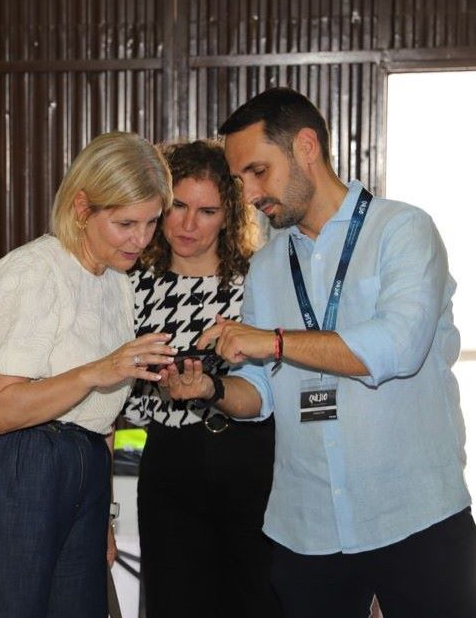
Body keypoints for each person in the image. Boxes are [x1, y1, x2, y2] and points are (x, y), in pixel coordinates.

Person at [166, 87, 476, 617]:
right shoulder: (267, 266)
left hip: (414, 514)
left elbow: (396, 348)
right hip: (305, 527)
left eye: (259, 171)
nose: (251, 192)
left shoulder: (402, 230)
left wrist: (274, 340)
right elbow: (260, 395)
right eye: (241, 180)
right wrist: (213, 390)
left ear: (307, 146)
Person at [0, 131, 175, 617]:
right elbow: (3, 410)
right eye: (125, 222)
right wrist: (97, 371)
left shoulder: (117, 285)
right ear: (83, 208)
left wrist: (102, 511)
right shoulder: (33, 273)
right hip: (10, 464)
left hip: (79, 466)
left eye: (151, 222)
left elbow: (101, 420)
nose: (141, 239)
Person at [123, 140, 280, 617]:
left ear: (230, 215)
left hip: (252, 459)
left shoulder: (260, 282)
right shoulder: (130, 285)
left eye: (207, 210)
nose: (189, 225)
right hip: (170, 462)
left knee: (257, 604)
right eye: (178, 208)